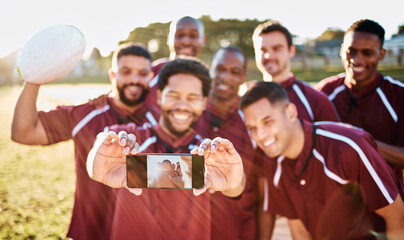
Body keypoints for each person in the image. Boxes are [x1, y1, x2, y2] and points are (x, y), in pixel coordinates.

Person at [11, 43, 159, 240]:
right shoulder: (85, 114)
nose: (134, 79)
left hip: (143, 232)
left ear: (150, 77)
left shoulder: (162, 121)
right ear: (112, 75)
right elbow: (24, 132)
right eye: (126, 71)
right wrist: (33, 80)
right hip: (92, 232)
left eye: (141, 73)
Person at [240, 81, 404, 239]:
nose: (260, 135)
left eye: (267, 122)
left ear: (290, 113)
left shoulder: (347, 147)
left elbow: (397, 218)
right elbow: (300, 232)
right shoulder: (273, 166)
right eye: (252, 128)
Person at [86, 58, 225, 240]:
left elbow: (236, 185)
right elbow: (100, 147)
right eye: (173, 95)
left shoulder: (210, 154)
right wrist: (96, 164)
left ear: (204, 102)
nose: (182, 105)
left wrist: (234, 182)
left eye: (192, 97)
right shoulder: (128, 140)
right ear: (159, 96)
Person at [315, 19, 404, 178]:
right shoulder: (323, 92)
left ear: (381, 54)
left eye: (367, 53)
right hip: (333, 196)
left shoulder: (398, 95)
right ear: (342, 50)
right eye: (351, 51)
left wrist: (359, 141)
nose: (357, 59)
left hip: (385, 196)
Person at [194, 46, 258, 240]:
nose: (225, 77)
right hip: (190, 226)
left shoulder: (251, 118)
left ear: (243, 77)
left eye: (234, 72)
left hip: (235, 228)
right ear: (210, 70)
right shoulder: (188, 109)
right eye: (220, 69)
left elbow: (258, 185)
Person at [252, 20, 339, 122]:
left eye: (276, 49)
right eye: (263, 50)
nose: (269, 56)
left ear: (291, 51)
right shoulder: (247, 99)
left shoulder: (315, 100)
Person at [146, 16, 205, 107]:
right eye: (180, 35)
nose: (186, 41)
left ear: (203, 40)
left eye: (193, 36)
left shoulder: (210, 81)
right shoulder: (149, 74)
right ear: (169, 38)